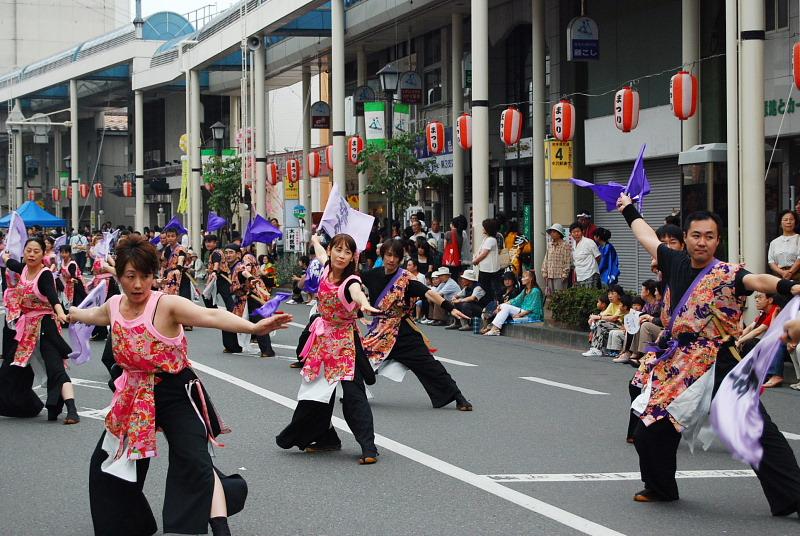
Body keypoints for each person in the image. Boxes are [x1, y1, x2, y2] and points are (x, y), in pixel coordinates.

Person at [70, 234, 292, 536]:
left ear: (154, 275)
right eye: (130, 276)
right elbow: (93, 315)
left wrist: (252, 327)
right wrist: (68, 313)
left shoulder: (167, 305)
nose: (138, 285)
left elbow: (211, 314)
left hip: (176, 390)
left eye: (145, 276)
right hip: (135, 394)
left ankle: (216, 526)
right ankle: (129, 526)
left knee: (194, 461)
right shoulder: (113, 305)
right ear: (119, 275)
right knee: (107, 464)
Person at [617, 194, 800, 513]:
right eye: (696, 235)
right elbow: (644, 233)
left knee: (754, 429)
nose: (702, 242)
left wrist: (788, 287)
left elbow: (759, 280)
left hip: (721, 362)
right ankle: (661, 487)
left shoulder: (730, 273)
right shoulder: (672, 261)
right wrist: (627, 208)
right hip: (679, 364)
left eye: (710, 236)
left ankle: (792, 497)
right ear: (685, 238)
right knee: (649, 429)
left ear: (718, 241)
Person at [276, 234, 381, 464]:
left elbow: (357, 293)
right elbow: (321, 253)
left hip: (344, 342)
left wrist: (364, 304)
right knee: (313, 392)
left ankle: (369, 448)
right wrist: (314, 240)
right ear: (331, 250)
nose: (342, 256)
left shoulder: (350, 281)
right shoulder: (325, 268)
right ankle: (325, 438)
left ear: (353, 256)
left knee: (353, 396)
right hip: (323, 340)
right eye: (338, 250)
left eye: (347, 252)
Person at [361, 239, 473, 411]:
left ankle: (458, 397)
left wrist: (450, 308)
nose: (391, 259)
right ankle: (353, 393)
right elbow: (351, 284)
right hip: (380, 332)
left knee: (429, 365)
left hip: (403, 332)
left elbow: (429, 293)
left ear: (400, 259)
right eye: (388, 255)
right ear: (382, 255)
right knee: (357, 360)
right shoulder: (371, 275)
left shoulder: (406, 280)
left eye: (396, 256)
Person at [0, 238, 79, 423]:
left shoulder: (44, 275)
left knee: (56, 369)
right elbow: (10, 262)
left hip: (45, 325)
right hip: (26, 329)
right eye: (29, 250)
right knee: (8, 370)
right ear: (24, 252)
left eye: (36, 251)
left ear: (43, 254)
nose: (32, 254)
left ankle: (72, 410)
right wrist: (5, 255)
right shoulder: (23, 268)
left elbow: (53, 298)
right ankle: (26, 406)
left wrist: (61, 314)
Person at [483, 269, 544, 336]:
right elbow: (515, 300)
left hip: (531, 315)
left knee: (505, 307)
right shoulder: (525, 290)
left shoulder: (535, 291)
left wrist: (520, 315)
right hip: (522, 311)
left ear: (531, 278)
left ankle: (494, 328)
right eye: (522, 277)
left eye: (524, 277)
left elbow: (532, 308)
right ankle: (494, 328)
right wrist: (500, 305)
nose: (522, 279)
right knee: (503, 306)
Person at [471, 218, 503, 302]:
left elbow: (484, 253)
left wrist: (475, 261)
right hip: (486, 269)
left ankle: (490, 304)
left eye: (484, 227)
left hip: (489, 270)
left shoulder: (491, 240)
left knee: (487, 289)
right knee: (487, 289)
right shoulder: (488, 238)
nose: (483, 229)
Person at [767, 209, 800, 281]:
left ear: (795, 222)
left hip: (797, 276)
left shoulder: (798, 238)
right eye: (785, 220)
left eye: (791, 219)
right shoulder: (774, 242)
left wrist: (790, 272)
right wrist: (782, 273)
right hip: (778, 276)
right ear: (780, 223)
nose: (788, 222)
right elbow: (771, 261)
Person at [542, 223, 572, 295]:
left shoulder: (565, 245)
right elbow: (546, 259)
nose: (552, 233)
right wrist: (544, 272)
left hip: (560, 276)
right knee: (550, 296)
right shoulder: (549, 245)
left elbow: (567, 260)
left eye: (554, 232)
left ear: (559, 234)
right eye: (551, 232)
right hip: (550, 274)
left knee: (560, 297)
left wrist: (564, 274)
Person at [570, 222, 601, 288]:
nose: (576, 234)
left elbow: (598, 257)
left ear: (582, 231)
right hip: (579, 275)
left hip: (590, 274)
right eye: (573, 232)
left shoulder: (589, 242)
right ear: (571, 234)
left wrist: (593, 268)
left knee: (590, 296)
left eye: (578, 231)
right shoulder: (573, 244)